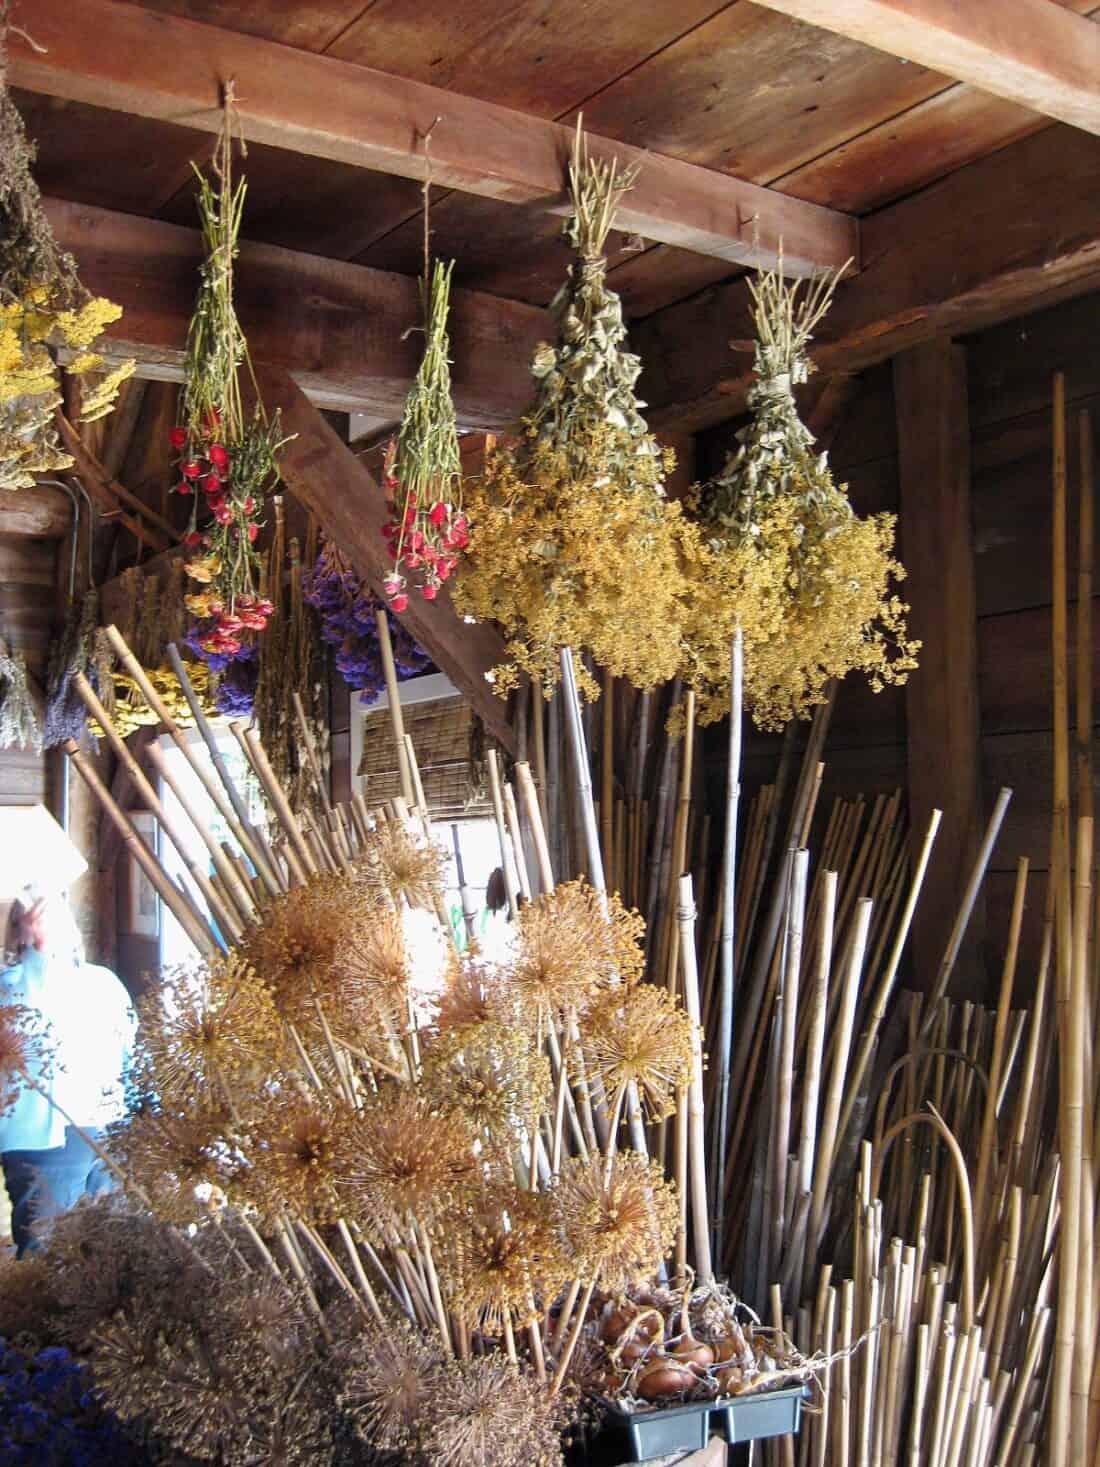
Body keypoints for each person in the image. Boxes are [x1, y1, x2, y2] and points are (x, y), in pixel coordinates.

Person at [0, 892, 135, 1256]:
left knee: (115, 1251)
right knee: (49, 1256)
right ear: (19, 935)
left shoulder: (103, 982)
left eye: (58, 919)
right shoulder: (10, 985)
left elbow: (129, 1053)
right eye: (38, 920)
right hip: (42, 1144)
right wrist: (37, 957)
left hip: (109, 1130)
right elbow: (26, 1012)